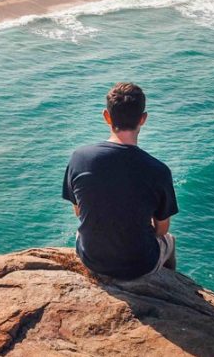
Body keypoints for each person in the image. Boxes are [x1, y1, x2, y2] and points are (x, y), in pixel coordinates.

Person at [62, 82, 178, 279]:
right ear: (143, 119)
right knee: (170, 241)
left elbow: (78, 211)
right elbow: (161, 229)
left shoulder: (79, 157)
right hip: (139, 265)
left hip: (91, 258)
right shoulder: (158, 170)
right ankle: (169, 285)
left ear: (107, 117)